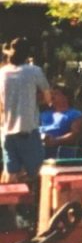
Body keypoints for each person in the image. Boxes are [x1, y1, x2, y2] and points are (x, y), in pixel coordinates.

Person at [0, 38, 51, 183]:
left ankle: (9, 204)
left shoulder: (2, 73)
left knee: (10, 172)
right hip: (27, 128)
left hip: (6, 131)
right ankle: (34, 203)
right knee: (37, 172)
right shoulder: (34, 71)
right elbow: (48, 98)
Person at [40, 86, 82, 159]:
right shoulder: (44, 114)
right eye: (51, 94)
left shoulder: (74, 114)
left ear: (66, 97)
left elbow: (74, 135)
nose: (52, 96)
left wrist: (55, 141)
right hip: (39, 148)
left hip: (61, 151)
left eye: (56, 94)